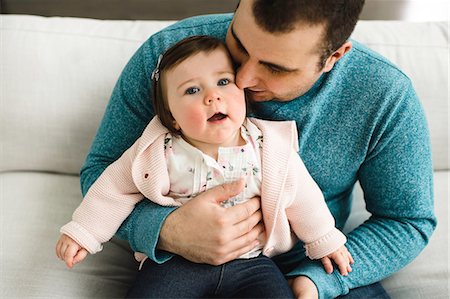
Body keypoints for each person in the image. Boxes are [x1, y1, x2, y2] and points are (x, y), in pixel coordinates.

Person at [78, 0, 436, 298]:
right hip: (173, 265)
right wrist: (167, 229)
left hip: (305, 265)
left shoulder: (385, 95)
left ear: (334, 57)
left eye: (274, 68)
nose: (244, 80)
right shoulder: (168, 59)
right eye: (239, 44)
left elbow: (407, 220)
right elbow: (105, 174)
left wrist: (318, 281)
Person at [56, 35, 354, 298]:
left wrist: (324, 239)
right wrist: (84, 231)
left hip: (252, 263)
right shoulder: (158, 150)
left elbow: (302, 195)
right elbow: (114, 187)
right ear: (172, 117)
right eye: (191, 91)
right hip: (176, 261)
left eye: (223, 82)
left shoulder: (268, 146)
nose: (213, 96)